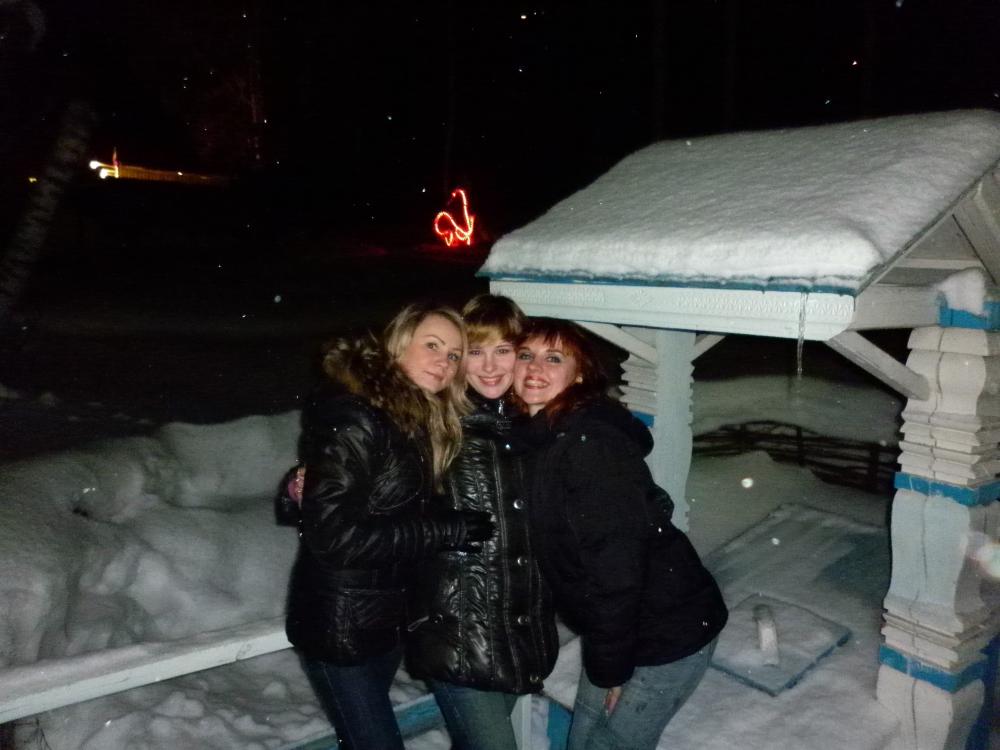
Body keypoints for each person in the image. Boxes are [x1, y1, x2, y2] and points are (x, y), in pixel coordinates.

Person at [280, 302, 495, 750]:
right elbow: (336, 537)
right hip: (341, 625)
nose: (444, 362)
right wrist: (446, 530)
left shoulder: (417, 418)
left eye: (454, 355)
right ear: (398, 346)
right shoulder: (358, 416)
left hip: (384, 620)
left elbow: (377, 504)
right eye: (432, 345)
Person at [512, 318, 728, 750]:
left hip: (666, 631)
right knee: (583, 739)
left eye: (553, 358)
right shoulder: (543, 437)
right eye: (525, 355)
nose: (535, 367)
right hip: (618, 626)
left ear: (579, 374)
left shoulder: (587, 444)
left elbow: (616, 571)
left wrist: (614, 671)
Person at [407, 294, 558, 750]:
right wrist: (303, 483)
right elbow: (364, 487)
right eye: (475, 351)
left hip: (518, 635)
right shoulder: (433, 424)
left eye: (503, 350)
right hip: (456, 637)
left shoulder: (533, 426)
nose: (490, 366)